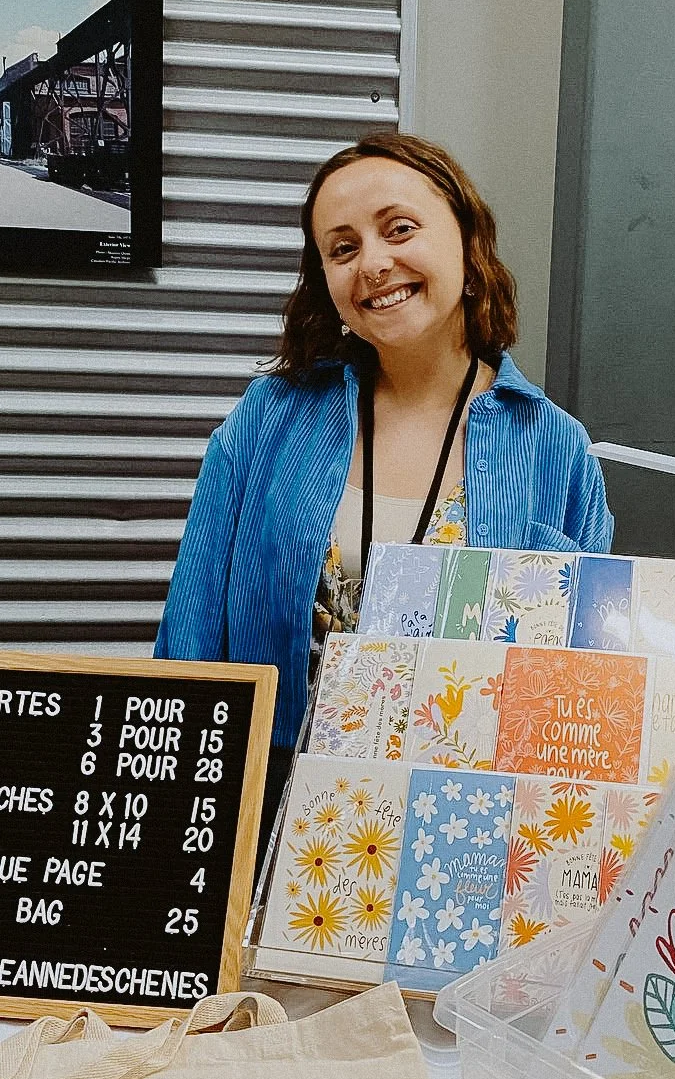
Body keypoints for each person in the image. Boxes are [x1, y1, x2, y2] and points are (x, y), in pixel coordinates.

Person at [155, 130, 613, 832]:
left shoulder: (556, 448)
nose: (372, 263)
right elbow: (188, 643)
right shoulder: (266, 422)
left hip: (467, 827)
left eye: (399, 229)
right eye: (342, 249)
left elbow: (581, 689)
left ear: (467, 241)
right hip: (267, 813)